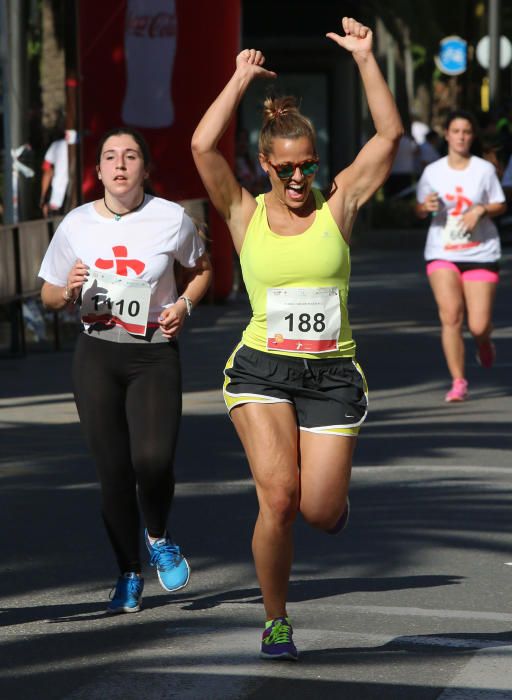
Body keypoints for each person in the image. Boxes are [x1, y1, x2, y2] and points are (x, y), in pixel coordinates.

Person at [191, 17, 402, 660]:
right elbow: (202, 147)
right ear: (265, 163)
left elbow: (389, 134)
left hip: (332, 374)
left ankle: (331, 504)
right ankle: (276, 619)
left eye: (307, 165)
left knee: (316, 510)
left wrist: (367, 59)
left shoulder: (338, 204)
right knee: (278, 497)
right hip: (261, 370)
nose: (298, 178)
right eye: (286, 167)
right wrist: (238, 79)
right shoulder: (242, 210)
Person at [38, 127, 212, 613]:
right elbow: (49, 295)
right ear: (97, 171)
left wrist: (183, 304)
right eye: (110, 157)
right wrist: (69, 290)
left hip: (153, 350)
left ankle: (158, 535)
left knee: (153, 460)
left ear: (144, 169)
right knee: (113, 471)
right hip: (96, 353)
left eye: (130, 156)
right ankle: (128, 572)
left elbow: (202, 271)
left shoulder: (170, 218)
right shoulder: (76, 224)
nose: (120, 165)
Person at [415, 110, 507, 403]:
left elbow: (500, 204)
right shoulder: (433, 171)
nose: (461, 137)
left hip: (481, 251)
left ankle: (484, 341)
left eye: (466, 132)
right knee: (451, 317)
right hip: (442, 250)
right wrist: (425, 206)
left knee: (478, 324)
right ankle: (458, 381)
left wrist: (480, 210)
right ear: (447, 135)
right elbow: (418, 209)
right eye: (456, 131)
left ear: (472, 136)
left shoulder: (483, 170)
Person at [40, 137, 69, 217]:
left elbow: (47, 171)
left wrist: (43, 197)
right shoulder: (89, 141)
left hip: (57, 197)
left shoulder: (57, 145)